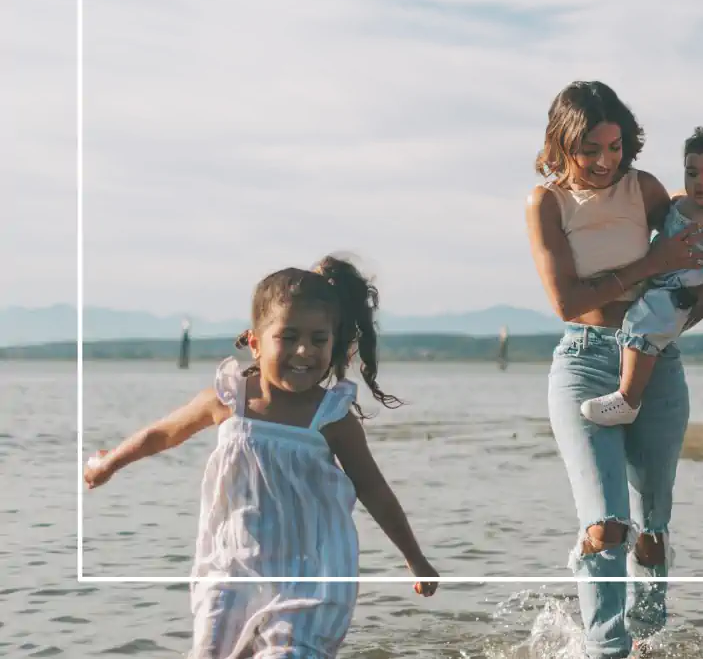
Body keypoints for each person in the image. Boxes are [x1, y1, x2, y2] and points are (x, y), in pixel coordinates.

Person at [84, 256, 438, 659]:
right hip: (231, 572)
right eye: (287, 337)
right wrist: (108, 462)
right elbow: (162, 434)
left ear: (333, 342)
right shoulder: (229, 400)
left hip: (310, 578)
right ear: (255, 341)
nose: (304, 350)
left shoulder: (332, 417)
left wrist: (415, 558)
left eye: (319, 340)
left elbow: (373, 489)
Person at [524, 81, 703, 659]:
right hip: (583, 361)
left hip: (655, 362)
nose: (605, 161)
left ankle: (650, 640)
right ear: (562, 144)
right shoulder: (547, 203)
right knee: (607, 525)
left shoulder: (647, 189)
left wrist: (698, 299)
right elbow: (567, 301)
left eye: (615, 146)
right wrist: (651, 264)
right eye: (590, 149)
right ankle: (608, 649)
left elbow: (699, 252)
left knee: (651, 528)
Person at [581, 126, 703, 426]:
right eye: (692, 173)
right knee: (634, 320)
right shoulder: (678, 202)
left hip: (684, 288)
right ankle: (627, 383)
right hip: (658, 275)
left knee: (643, 325)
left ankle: (628, 399)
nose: (699, 182)